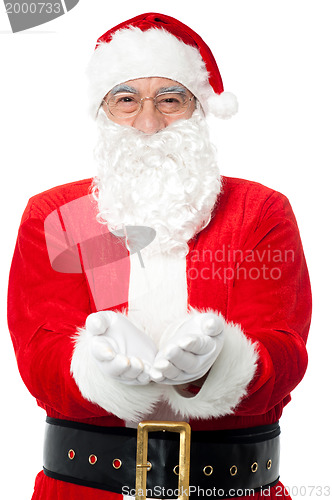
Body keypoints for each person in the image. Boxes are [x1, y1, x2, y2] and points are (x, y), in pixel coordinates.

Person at [7, 12, 311, 500]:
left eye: (170, 99)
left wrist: (222, 363)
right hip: (86, 488)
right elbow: (38, 353)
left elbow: (285, 348)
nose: (148, 123)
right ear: (103, 111)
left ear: (200, 110)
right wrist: (95, 365)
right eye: (126, 100)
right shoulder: (59, 215)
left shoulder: (259, 211)